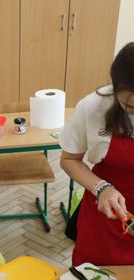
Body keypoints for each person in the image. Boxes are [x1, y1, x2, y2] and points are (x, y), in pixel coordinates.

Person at [59, 42, 134, 266]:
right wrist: (101, 188)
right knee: (93, 278)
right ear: (116, 88)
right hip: (104, 218)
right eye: (130, 107)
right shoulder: (92, 107)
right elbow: (69, 160)